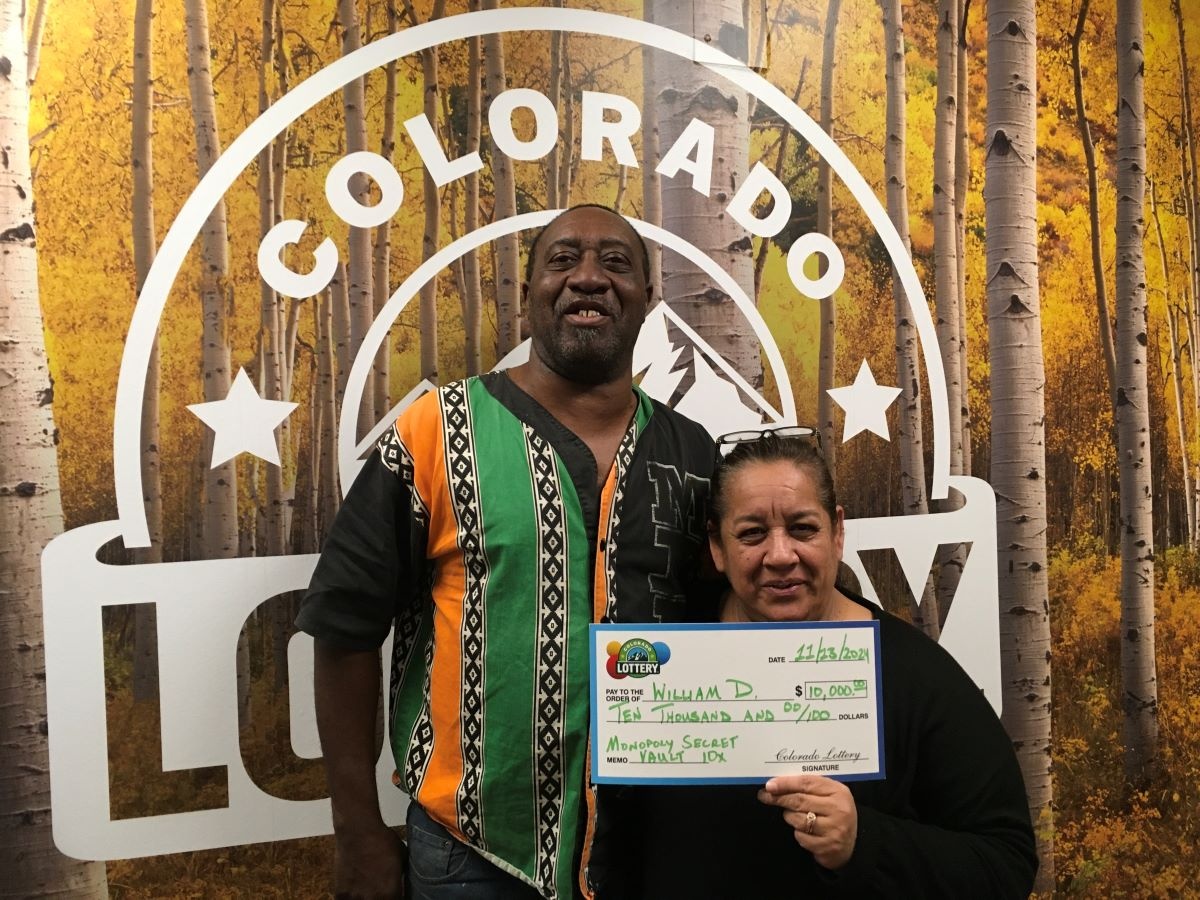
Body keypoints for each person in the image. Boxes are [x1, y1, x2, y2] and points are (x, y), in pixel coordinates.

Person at [297, 204, 718, 900]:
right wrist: (357, 831)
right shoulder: (435, 430)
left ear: (650, 298)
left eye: (616, 263)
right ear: (526, 299)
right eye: (562, 260)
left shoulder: (693, 452)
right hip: (472, 857)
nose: (588, 278)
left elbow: (729, 626)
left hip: (651, 852)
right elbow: (342, 628)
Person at [627, 429, 1037, 898]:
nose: (780, 556)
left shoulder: (917, 678)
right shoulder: (665, 660)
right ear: (718, 548)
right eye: (752, 533)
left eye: (803, 528)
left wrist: (866, 842)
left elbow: (1007, 864)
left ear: (837, 532)